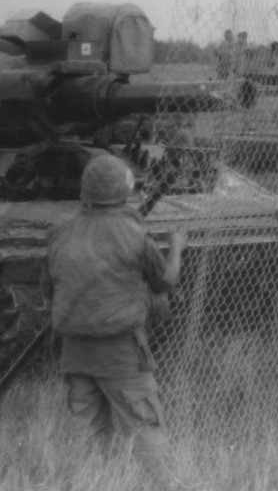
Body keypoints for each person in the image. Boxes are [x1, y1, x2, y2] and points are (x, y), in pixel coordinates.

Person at [43, 154, 185, 483]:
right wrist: (176, 246)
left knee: (85, 432)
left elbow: (48, 289)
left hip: (75, 352)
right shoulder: (135, 235)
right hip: (121, 353)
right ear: (126, 192)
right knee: (144, 426)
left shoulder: (59, 233)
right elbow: (165, 281)